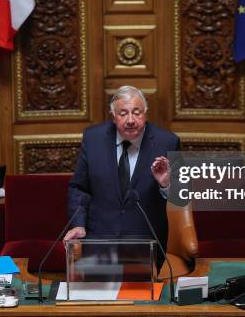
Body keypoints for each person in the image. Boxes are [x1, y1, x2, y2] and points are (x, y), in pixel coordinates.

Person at [63, 85, 180, 255]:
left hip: (146, 245)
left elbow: (182, 196)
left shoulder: (167, 142)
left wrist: (166, 185)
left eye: (137, 112)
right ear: (113, 117)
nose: (131, 120)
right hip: (99, 243)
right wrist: (79, 224)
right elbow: (78, 188)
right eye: (123, 113)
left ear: (145, 113)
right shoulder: (93, 138)